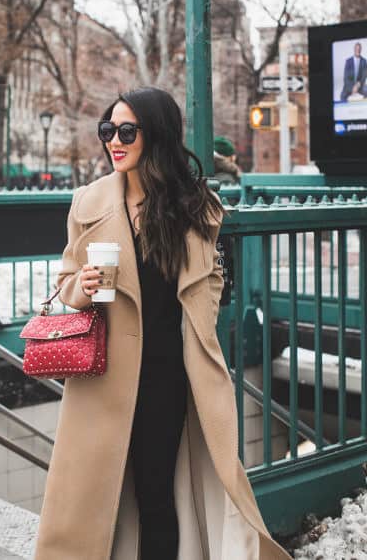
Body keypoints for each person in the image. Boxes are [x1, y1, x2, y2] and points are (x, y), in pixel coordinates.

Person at [34, 87, 290, 560]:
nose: (114, 141)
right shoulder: (87, 203)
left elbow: (213, 282)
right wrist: (83, 287)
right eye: (108, 130)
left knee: (155, 493)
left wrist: (202, 319)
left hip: (168, 374)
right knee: (95, 497)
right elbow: (66, 280)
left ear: (156, 136)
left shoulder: (192, 207)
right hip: (104, 375)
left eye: (127, 131)